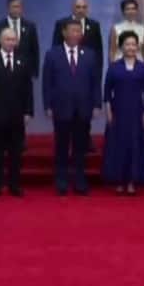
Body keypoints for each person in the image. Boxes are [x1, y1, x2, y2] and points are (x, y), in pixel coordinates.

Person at [43, 20, 102, 196]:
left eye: (79, 31)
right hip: (61, 107)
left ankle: (80, 180)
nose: (76, 34)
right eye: (73, 30)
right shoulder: (53, 54)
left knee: (80, 147)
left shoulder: (90, 55)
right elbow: (47, 83)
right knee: (61, 146)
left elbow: (95, 82)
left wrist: (97, 104)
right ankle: (61, 180)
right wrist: (47, 105)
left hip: (83, 108)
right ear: (64, 32)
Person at [0, 27, 34, 197]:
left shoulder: (23, 61)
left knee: (15, 153)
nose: (11, 43)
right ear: (0, 41)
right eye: (7, 39)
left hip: (17, 115)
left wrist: (28, 111)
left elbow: (28, 89)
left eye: (13, 40)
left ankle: (14, 186)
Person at [101, 31, 144, 195]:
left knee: (134, 145)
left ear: (138, 47)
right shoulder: (114, 67)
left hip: (137, 112)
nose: (131, 47)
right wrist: (108, 111)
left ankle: (131, 181)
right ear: (121, 47)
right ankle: (119, 180)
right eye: (127, 44)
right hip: (118, 111)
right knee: (119, 145)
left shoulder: (143, 68)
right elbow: (107, 92)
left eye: (133, 44)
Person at [0, 0, 40, 79]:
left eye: (18, 7)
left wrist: (34, 71)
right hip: (3, 69)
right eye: (14, 7)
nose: (16, 9)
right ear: (8, 8)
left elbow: (34, 50)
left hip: (24, 70)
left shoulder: (30, 26)